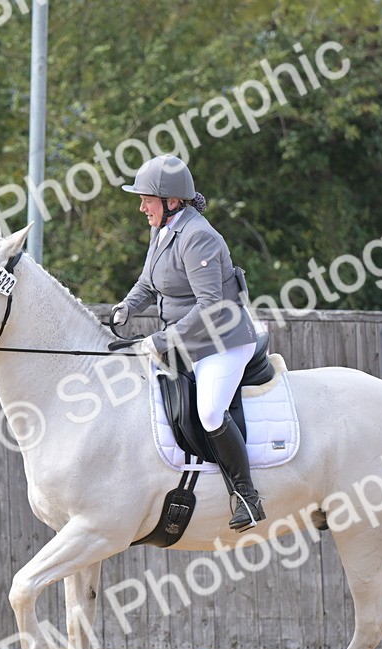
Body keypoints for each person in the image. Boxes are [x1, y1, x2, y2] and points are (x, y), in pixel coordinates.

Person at [112, 155, 265, 531]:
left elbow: (211, 307)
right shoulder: (163, 230)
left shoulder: (199, 237)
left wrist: (163, 339)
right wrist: (126, 307)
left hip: (222, 342)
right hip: (186, 343)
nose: (141, 206)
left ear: (173, 202)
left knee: (211, 411)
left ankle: (246, 494)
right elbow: (148, 283)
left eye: (147, 198)